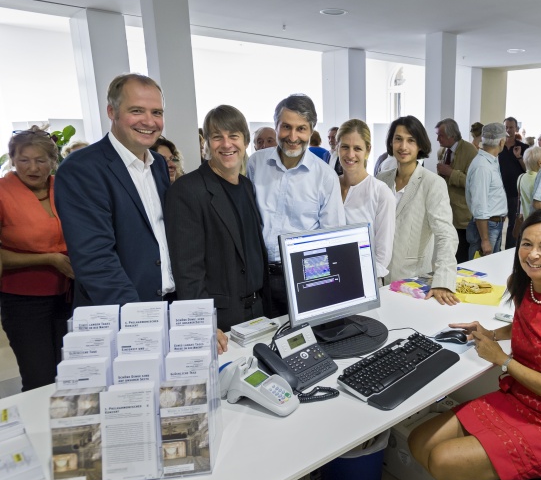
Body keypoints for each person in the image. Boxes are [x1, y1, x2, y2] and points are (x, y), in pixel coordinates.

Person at [408, 209, 541, 480]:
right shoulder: (523, 283)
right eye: (526, 244)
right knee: (418, 442)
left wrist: (501, 359)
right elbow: (531, 324)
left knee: (442, 460)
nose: (533, 255)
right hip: (520, 398)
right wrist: (490, 332)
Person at [55, 73, 176, 308]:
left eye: (157, 112)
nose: (149, 122)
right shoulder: (82, 168)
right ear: (112, 112)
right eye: (137, 111)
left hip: (167, 303)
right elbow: (95, 260)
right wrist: (139, 318)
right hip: (121, 311)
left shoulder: (158, 164)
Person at [166, 105, 268, 353]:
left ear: (245, 141)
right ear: (206, 143)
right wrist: (203, 323)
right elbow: (188, 270)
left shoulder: (246, 186)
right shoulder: (187, 191)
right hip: (220, 322)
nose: (226, 144)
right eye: (216, 137)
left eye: (233, 136)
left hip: (257, 312)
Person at [247, 94, 345, 317]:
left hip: (301, 277)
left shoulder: (325, 177)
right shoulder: (256, 164)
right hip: (256, 277)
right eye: (286, 127)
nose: (293, 137)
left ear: (311, 130)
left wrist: (316, 287)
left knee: (301, 345)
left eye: (301, 129)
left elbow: (331, 237)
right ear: (276, 126)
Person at [0, 127, 73, 391]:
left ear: (53, 162)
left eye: (41, 160)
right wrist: (48, 259)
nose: (33, 168)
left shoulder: (64, 188)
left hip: (69, 296)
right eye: (24, 160)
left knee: (71, 372)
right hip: (24, 302)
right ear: (12, 160)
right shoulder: (2, 193)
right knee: (39, 377)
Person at [376, 116, 459, 305]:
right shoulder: (381, 179)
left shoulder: (432, 183)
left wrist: (443, 280)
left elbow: (446, 234)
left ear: (420, 145)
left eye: (410, 140)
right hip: (379, 278)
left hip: (412, 281)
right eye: (398, 139)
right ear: (391, 142)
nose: (403, 146)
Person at [337, 119, 396, 280]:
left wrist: (359, 280)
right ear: (337, 148)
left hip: (365, 280)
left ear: (367, 150)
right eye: (345, 147)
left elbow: (382, 257)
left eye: (357, 148)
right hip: (330, 279)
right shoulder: (328, 187)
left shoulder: (381, 193)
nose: (350, 155)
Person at [435, 118, 478, 263]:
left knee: (462, 256)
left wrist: (451, 172)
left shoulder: (470, 151)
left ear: (451, 135)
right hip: (446, 211)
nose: (437, 139)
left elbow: (472, 183)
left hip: (462, 216)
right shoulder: (443, 151)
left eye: (440, 135)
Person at [465, 123, 508, 258]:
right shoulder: (483, 167)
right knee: (479, 273)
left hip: (492, 226)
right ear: (501, 142)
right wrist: (485, 240)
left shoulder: (491, 161)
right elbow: (479, 205)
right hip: (486, 228)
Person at [498, 117, 529, 249]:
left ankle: (509, 251)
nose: (508, 130)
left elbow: (528, 169)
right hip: (498, 192)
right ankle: (495, 250)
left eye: (511, 127)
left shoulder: (523, 147)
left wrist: (519, 157)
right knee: (497, 224)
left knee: (513, 224)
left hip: (515, 193)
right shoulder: (497, 146)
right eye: (506, 127)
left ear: (516, 129)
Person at [518, 145, 541, 219]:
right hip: (538, 221)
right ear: (540, 163)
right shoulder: (540, 180)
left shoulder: (521, 177)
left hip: (526, 220)